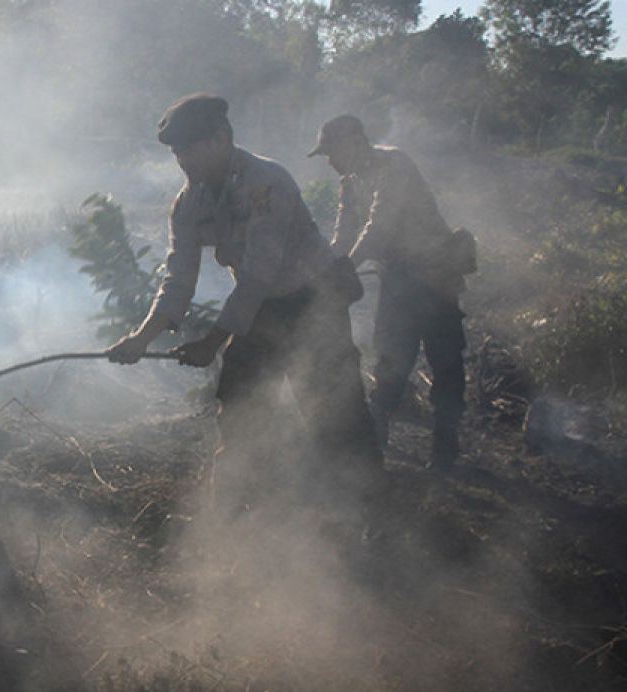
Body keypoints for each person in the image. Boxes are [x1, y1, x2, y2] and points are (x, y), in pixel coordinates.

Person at [106, 93, 382, 501]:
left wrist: (211, 342)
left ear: (221, 138)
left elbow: (256, 277)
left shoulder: (267, 183)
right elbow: (178, 280)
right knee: (239, 409)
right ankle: (241, 512)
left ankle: (369, 513)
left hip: (315, 301)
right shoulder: (188, 203)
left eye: (191, 147)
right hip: (262, 309)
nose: (183, 159)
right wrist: (140, 339)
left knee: (335, 415)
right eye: (177, 151)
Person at [309, 115, 475, 471]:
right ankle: (376, 443)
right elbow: (344, 231)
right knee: (389, 360)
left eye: (331, 151)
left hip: (436, 277)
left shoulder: (393, 162)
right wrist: (326, 267)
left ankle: (445, 448)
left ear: (354, 140)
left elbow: (378, 225)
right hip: (400, 280)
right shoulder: (349, 181)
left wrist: (346, 267)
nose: (330, 161)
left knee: (445, 363)